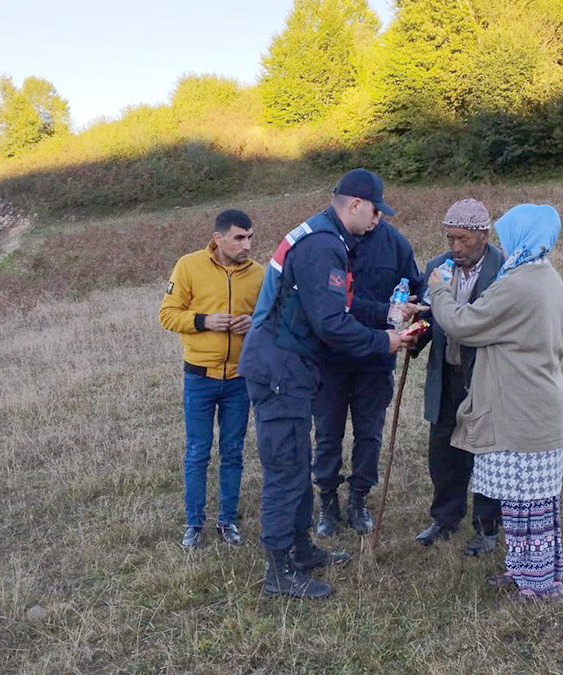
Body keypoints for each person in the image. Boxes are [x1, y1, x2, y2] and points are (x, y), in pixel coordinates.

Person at [239, 168, 414, 599]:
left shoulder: (322, 237)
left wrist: (390, 312)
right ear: (355, 205)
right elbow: (332, 322)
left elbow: (341, 301)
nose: (377, 221)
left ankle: (300, 548)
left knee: (297, 462)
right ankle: (279, 570)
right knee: (285, 469)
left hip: (290, 365)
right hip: (282, 367)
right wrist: (385, 341)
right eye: (374, 212)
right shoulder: (323, 246)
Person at [427, 203, 563, 601]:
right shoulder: (546, 276)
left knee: (531, 506)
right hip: (536, 403)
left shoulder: (518, 282)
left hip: (523, 407)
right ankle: (525, 572)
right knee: (525, 501)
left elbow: (463, 324)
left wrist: (438, 289)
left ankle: (539, 586)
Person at [312, 211, 423, 537]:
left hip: (377, 356)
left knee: (369, 433)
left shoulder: (396, 243)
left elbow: (415, 289)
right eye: (370, 210)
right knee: (327, 433)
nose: (374, 218)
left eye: (379, 212)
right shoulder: (328, 241)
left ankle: (359, 499)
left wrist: (412, 320)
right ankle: (328, 499)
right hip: (330, 357)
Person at [158, 209, 264, 550]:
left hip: (239, 379)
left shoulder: (259, 274)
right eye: (239, 238)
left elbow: (272, 316)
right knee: (197, 452)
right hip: (199, 377)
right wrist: (205, 321)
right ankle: (194, 524)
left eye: (250, 237)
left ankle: (228, 521)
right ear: (219, 239)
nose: (247, 244)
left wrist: (253, 322)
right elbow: (167, 314)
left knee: (232, 452)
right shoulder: (188, 266)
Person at [411, 198, 504, 556]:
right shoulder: (438, 267)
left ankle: (486, 527)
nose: (455, 247)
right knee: (443, 451)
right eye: (450, 238)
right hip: (446, 375)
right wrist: (413, 334)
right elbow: (427, 317)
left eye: (463, 239)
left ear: (483, 234)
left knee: (484, 451)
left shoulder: (503, 270)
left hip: (485, 375)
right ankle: (445, 518)